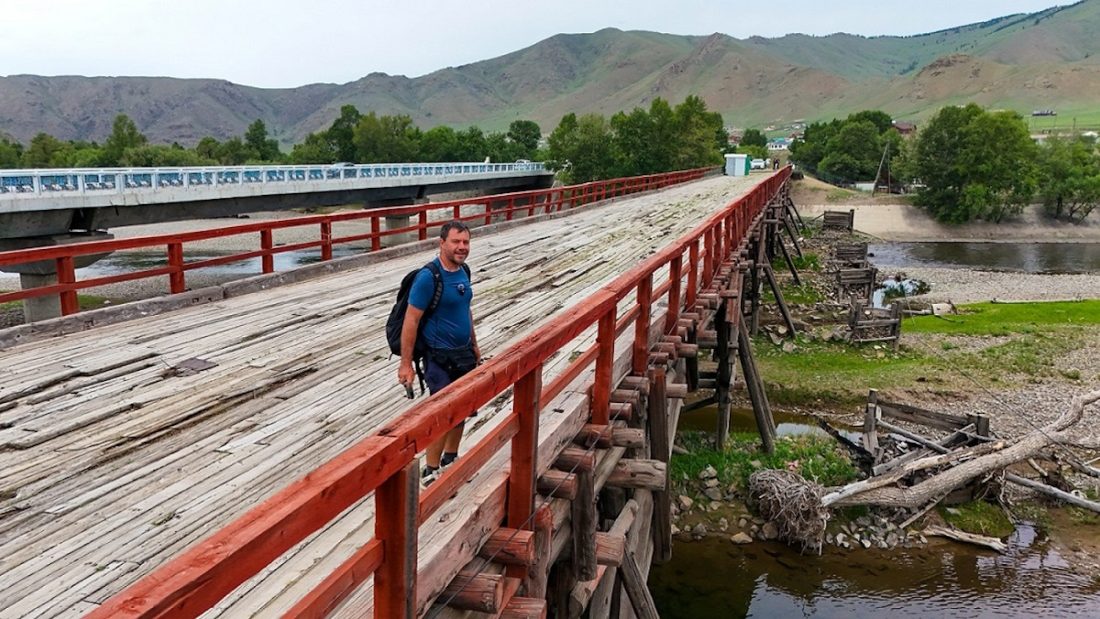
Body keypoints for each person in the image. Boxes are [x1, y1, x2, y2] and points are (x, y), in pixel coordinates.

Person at [398, 220, 481, 485]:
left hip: (464, 353)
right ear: (442, 243)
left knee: (464, 409)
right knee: (443, 413)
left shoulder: (463, 271)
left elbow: (465, 309)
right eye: (456, 242)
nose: (462, 247)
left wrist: (475, 346)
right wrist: (406, 364)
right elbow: (411, 320)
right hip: (438, 358)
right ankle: (430, 471)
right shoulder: (428, 277)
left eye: (466, 242)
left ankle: (450, 458)